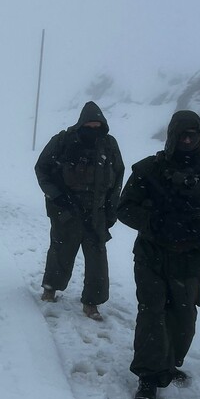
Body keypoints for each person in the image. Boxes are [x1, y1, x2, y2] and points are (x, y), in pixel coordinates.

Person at [117, 110, 200, 399]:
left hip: (191, 260)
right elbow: (124, 208)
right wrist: (157, 222)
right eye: (182, 135)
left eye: (193, 135)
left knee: (183, 319)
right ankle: (148, 377)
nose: (188, 141)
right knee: (152, 313)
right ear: (172, 136)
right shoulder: (150, 170)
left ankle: (169, 363)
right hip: (152, 255)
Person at [35, 101, 124, 320]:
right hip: (66, 209)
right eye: (89, 126)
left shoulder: (109, 145)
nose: (93, 130)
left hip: (97, 212)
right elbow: (42, 169)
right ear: (81, 123)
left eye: (97, 126)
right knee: (60, 252)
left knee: (97, 259)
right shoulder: (63, 141)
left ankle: (92, 302)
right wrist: (57, 197)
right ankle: (50, 288)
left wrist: (112, 211)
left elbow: (117, 177)